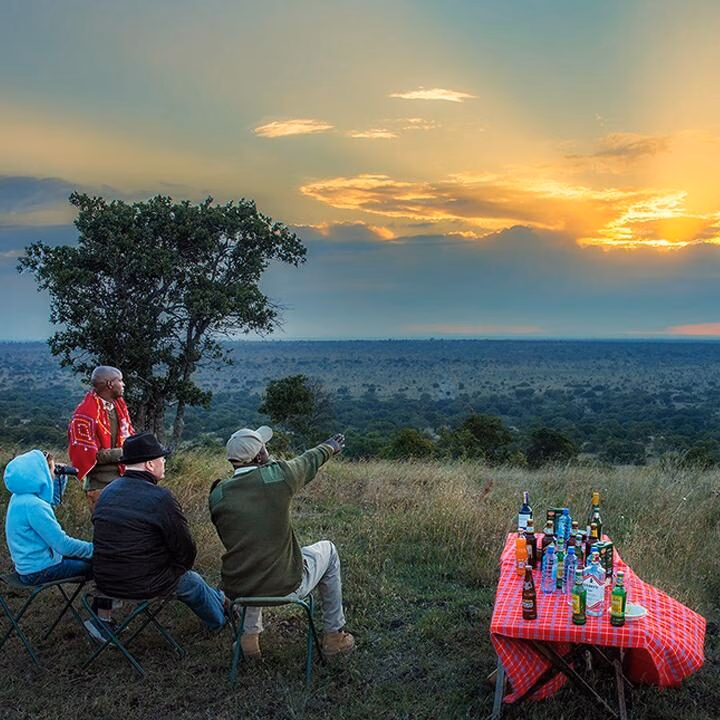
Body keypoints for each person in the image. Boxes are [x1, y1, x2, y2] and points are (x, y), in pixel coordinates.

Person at [209, 425, 354, 659]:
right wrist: (330, 446)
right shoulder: (277, 478)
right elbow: (306, 461)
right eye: (264, 448)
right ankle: (334, 635)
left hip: (241, 586)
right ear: (258, 456)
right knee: (329, 550)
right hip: (286, 583)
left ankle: (248, 640)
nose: (267, 450)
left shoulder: (218, 494)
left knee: (251, 556)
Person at [91, 431, 226, 631]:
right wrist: (179, 568)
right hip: (141, 583)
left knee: (186, 577)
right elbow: (185, 547)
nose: (164, 462)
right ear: (149, 465)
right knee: (192, 581)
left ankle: (222, 600)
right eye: (161, 458)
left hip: (104, 579)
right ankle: (220, 622)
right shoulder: (160, 498)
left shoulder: (107, 491)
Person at [3, 449, 93, 585]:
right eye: (51, 468)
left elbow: (52, 501)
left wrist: (59, 479)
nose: (53, 472)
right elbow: (63, 545)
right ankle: (104, 604)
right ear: (40, 473)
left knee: (87, 558)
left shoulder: (19, 497)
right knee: (98, 565)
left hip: (28, 567)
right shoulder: (34, 506)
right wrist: (94, 549)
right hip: (39, 572)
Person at [68, 365, 134, 513]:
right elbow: (89, 455)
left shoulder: (119, 407)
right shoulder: (84, 415)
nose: (123, 384)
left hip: (122, 479)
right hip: (101, 485)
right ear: (110, 384)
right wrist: (126, 452)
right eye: (120, 381)